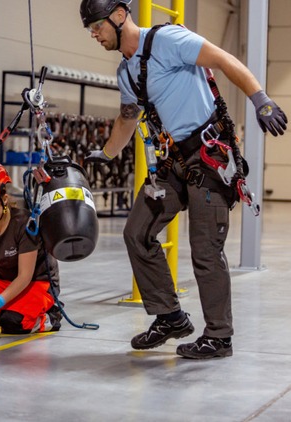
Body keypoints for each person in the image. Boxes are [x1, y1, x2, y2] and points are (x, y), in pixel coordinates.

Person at [80, 0, 287, 359]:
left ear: (118, 16)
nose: (94, 35)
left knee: (205, 250)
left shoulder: (168, 39)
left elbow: (224, 60)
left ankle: (219, 337)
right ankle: (170, 316)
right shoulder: (125, 73)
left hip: (209, 158)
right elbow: (128, 118)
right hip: (172, 163)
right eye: (90, 30)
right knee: (137, 232)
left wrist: (261, 100)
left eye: (96, 26)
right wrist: (107, 154)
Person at [0, 160, 61, 334]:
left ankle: (51, 315)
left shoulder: (25, 225)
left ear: (5, 200)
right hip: (4, 279)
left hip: (37, 282)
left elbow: (25, 276)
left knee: (13, 322)